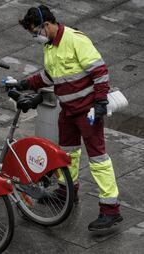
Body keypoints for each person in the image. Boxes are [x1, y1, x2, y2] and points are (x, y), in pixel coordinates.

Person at [17, 5, 122, 231]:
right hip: (67, 112)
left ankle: (111, 209)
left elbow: (99, 71)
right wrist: (26, 83)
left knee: (98, 159)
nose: (36, 37)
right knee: (67, 154)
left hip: (88, 112)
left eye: (36, 32)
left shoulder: (75, 40)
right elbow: (50, 75)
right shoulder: (49, 46)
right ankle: (67, 191)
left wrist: (100, 102)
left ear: (47, 24)